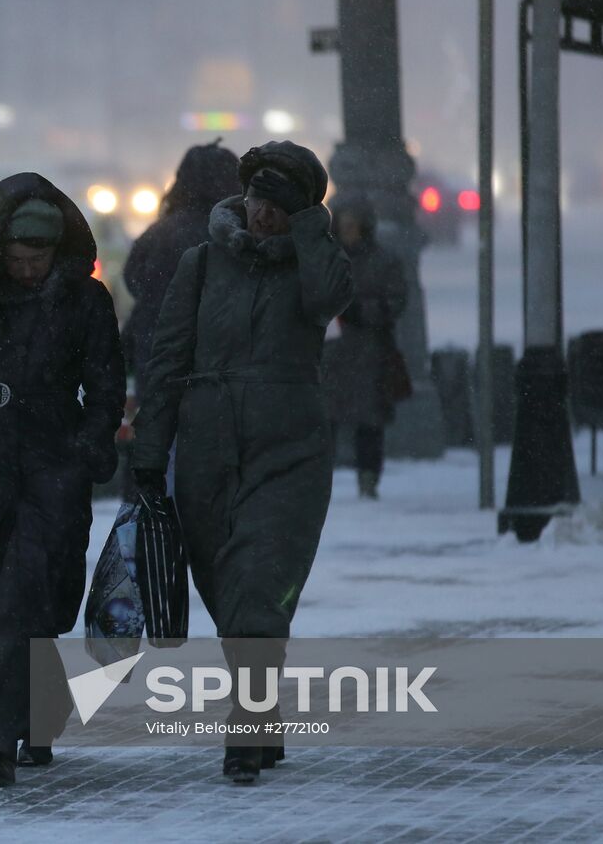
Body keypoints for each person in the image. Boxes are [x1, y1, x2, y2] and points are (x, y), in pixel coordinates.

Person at [129, 141, 353, 784]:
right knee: (228, 593)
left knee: (259, 585)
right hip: (207, 452)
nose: (263, 215)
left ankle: (245, 730)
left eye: (279, 206)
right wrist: (149, 457)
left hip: (290, 451)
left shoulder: (315, 263)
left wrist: (310, 227)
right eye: (257, 200)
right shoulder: (202, 264)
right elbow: (167, 362)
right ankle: (262, 709)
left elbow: (329, 299)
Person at [0, 172, 125, 788]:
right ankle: (35, 723)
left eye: (39, 260)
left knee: (29, 600)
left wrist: (85, 449)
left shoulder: (85, 301)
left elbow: (106, 387)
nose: (29, 272)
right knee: (2, 606)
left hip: (52, 474)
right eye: (17, 260)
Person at [123, 140, 242, 397]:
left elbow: (135, 283)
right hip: (221, 378)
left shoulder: (157, 234)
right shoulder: (233, 234)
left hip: (157, 370)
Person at [322, 195, 408, 499]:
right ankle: (320, 481)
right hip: (331, 352)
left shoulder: (383, 260)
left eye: (354, 225)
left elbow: (395, 300)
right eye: (344, 225)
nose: (349, 231)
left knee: (370, 422)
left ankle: (368, 479)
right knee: (325, 423)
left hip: (370, 352)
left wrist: (361, 311)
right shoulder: (326, 259)